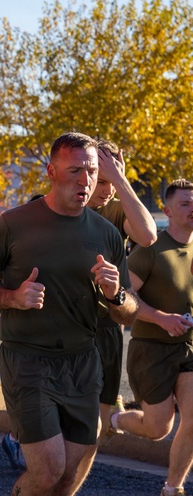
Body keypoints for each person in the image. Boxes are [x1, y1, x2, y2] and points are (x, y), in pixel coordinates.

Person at [0, 131, 139, 496]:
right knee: (48, 468)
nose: (85, 180)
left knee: (70, 473)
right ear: (51, 172)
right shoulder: (13, 224)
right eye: (75, 170)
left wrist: (115, 293)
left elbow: (129, 313)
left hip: (84, 363)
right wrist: (12, 298)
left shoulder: (106, 233)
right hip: (29, 361)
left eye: (91, 171)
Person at [111, 179, 193, 496]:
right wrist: (162, 318)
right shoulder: (150, 249)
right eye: (186, 203)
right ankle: (114, 420)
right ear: (168, 210)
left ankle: (171, 493)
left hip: (187, 348)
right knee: (159, 428)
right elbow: (124, 298)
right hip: (151, 350)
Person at [85, 139, 157, 442]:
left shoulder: (116, 210)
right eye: (101, 181)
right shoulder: (60, 209)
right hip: (66, 324)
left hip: (108, 324)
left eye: (112, 180)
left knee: (100, 424)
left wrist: (120, 180)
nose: (107, 189)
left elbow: (147, 235)